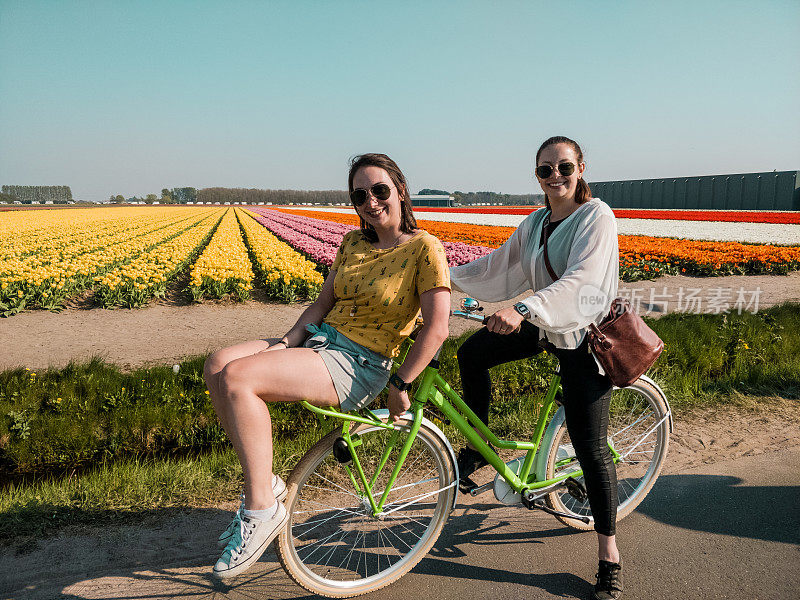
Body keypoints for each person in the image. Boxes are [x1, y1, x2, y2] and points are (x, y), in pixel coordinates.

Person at [204, 153, 451, 580]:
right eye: (360, 195)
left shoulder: (424, 249)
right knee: (219, 363)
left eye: (379, 190)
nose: (371, 202)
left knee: (238, 378)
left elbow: (437, 328)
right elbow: (322, 305)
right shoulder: (354, 244)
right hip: (322, 342)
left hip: (361, 362)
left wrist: (401, 382)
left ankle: (261, 508)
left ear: (401, 190)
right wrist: (284, 342)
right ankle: (266, 487)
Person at [449, 136, 624, 600]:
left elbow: (582, 281)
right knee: (473, 354)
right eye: (545, 170)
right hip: (547, 323)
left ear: (581, 168)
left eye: (564, 167)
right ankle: (475, 449)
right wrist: (442, 279)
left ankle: (609, 556)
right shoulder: (536, 223)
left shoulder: (596, 217)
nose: (556, 177)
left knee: (591, 449)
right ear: (537, 177)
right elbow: (496, 266)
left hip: (585, 335)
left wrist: (523, 309)